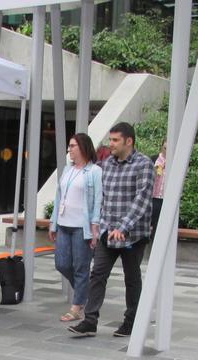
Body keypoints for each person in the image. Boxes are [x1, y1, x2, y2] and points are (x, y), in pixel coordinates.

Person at [68, 122, 154, 338]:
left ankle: (131, 322)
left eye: (115, 140)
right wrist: (100, 226)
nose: (111, 144)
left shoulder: (144, 164)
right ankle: (90, 321)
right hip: (108, 232)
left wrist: (123, 227)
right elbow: (101, 198)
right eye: (110, 139)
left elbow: (142, 199)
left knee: (131, 278)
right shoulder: (106, 165)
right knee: (97, 274)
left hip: (133, 235)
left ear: (129, 141)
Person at [48, 133, 102, 322]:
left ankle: (76, 307)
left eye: (72, 146)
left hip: (81, 227)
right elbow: (59, 197)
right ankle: (84, 292)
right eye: (69, 146)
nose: (69, 149)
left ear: (83, 147)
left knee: (81, 267)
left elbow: (97, 201)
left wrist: (95, 228)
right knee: (62, 264)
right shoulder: (67, 170)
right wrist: (53, 223)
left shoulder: (95, 171)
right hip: (64, 224)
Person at [150, 140, 167, 241]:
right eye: (165, 148)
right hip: (153, 196)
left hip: (165, 198)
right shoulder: (153, 159)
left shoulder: (174, 162)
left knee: (160, 223)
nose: (166, 151)